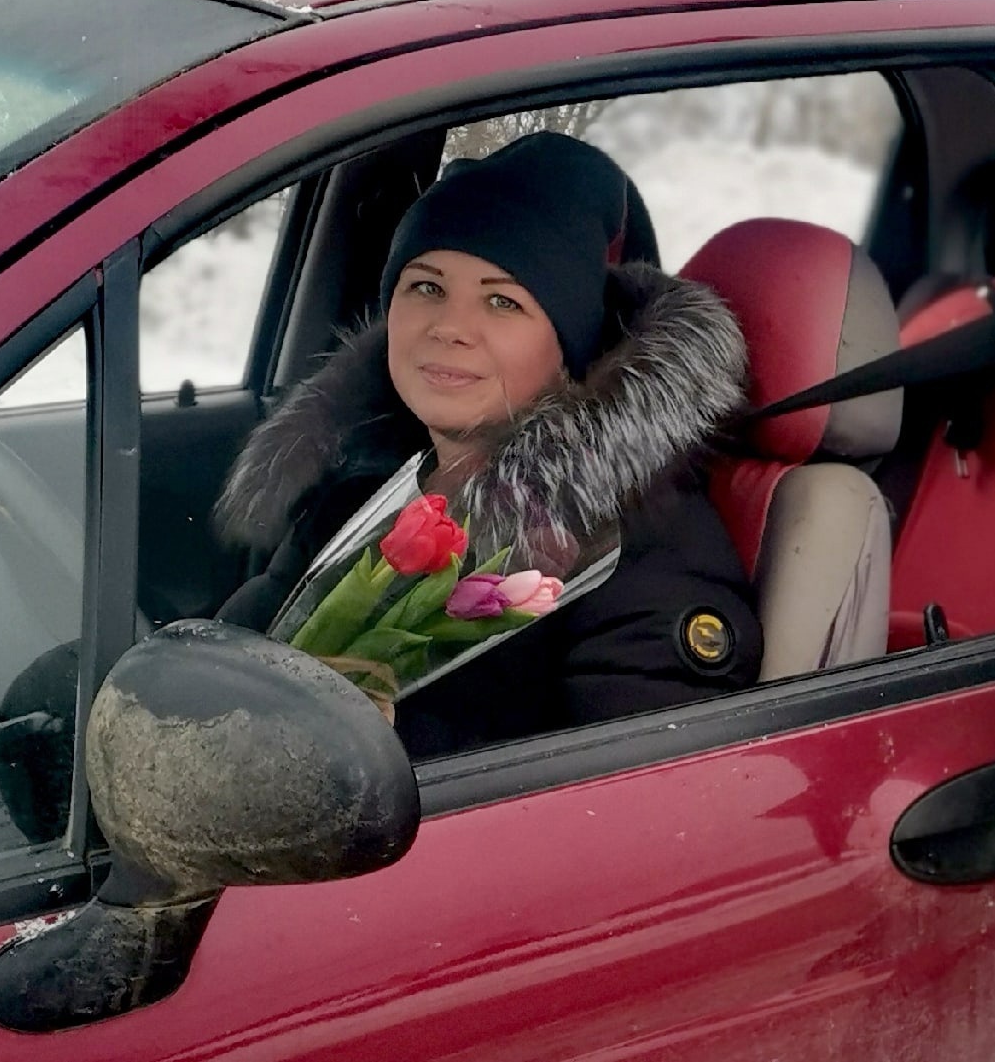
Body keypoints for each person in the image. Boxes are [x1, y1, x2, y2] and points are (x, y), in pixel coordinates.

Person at [214, 130, 763, 760]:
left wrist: (377, 745)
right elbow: (230, 650)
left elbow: (629, 810)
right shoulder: (362, 483)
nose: (450, 327)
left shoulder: (635, 555)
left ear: (567, 350)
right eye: (426, 287)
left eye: (502, 301)